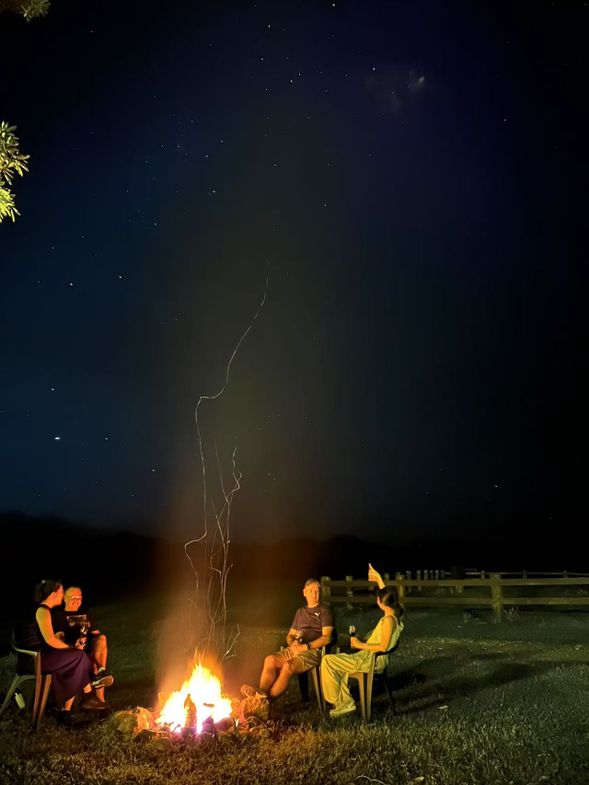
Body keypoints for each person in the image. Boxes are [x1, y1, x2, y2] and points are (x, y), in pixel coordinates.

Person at [320, 563, 404, 717]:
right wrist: (378, 578)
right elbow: (387, 594)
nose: (377, 600)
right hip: (371, 658)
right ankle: (345, 702)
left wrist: (361, 644)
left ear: (381, 602)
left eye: (378, 598)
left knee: (327, 661)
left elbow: (384, 646)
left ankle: (342, 703)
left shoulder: (388, 621)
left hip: (372, 661)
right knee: (338, 661)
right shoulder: (395, 615)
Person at [240, 577, 333, 713]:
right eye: (311, 591)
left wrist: (306, 647)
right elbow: (290, 635)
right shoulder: (300, 612)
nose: (315, 594)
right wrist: (292, 643)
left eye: (317, 591)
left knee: (288, 666)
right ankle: (261, 695)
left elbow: (327, 638)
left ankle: (264, 702)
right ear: (304, 592)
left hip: (313, 651)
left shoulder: (325, 611)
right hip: (296, 648)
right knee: (269, 659)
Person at [33, 579, 113, 719]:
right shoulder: (44, 611)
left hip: (52, 655)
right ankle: (81, 701)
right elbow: (51, 639)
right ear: (54, 594)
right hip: (40, 658)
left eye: (79, 597)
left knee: (83, 657)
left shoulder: (45, 610)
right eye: (62, 592)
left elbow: (95, 634)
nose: (62, 594)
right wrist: (72, 649)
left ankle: (86, 700)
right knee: (79, 657)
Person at [52, 585, 111, 704]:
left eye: (79, 597)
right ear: (65, 598)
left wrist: (91, 640)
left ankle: (101, 673)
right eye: (73, 597)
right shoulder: (59, 615)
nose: (76, 600)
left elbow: (96, 633)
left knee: (102, 639)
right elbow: (59, 637)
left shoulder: (85, 612)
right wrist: (74, 645)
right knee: (93, 664)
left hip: (87, 647)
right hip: (72, 649)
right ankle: (100, 700)